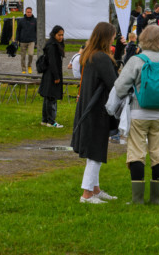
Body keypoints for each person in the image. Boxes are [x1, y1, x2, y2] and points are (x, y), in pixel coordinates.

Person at [114, 25, 159, 205]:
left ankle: (137, 199)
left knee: (136, 153)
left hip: (138, 113)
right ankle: (156, 199)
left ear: (142, 39)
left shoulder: (136, 61)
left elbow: (120, 87)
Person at [71, 22, 118, 204]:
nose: (114, 39)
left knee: (94, 148)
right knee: (95, 152)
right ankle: (87, 193)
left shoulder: (89, 55)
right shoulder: (102, 58)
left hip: (87, 105)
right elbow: (114, 83)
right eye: (113, 36)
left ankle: (95, 189)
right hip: (97, 108)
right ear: (107, 37)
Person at [39, 25, 65, 128]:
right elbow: (52, 62)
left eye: (62, 35)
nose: (61, 37)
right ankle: (51, 121)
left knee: (48, 97)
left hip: (50, 74)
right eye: (59, 35)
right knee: (51, 97)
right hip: (52, 74)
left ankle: (45, 120)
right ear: (54, 34)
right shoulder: (52, 45)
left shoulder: (52, 44)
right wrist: (56, 76)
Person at [16, 7, 37, 73]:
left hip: (31, 40)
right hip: (23, 41)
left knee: (31, 54)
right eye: (28, 12)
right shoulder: (21, 20)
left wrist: (36, 41)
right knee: (23, 56)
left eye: (30, 12)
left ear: (32, 12)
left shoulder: (35, 20)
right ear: (25, 12)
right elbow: (18, 30)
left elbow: (37, 30)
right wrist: (17, 39)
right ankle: (23, 69)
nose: (29, 13)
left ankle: (29, 66)